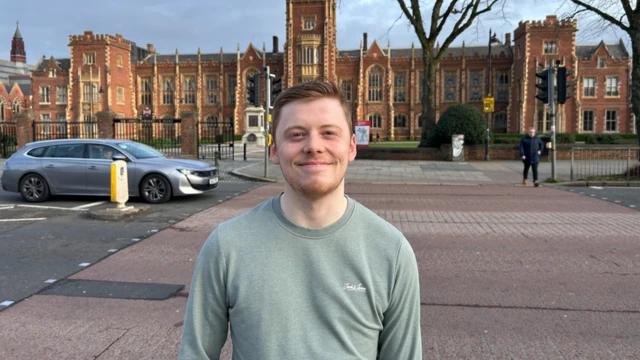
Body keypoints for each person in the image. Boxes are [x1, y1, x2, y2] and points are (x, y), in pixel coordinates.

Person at [178, 80, 422, 359]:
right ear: (274, 151)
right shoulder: (226, 246)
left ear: (352, 147)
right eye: (296, 135)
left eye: (329, 133)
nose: (313, 146)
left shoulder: (392, 251)